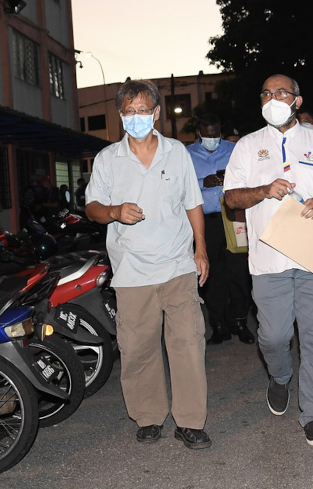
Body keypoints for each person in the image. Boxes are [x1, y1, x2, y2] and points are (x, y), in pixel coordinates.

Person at [85, 79, 212, 450]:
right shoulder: (108, 159)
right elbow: (92, 208)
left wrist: (200, 249)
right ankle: (149, 416)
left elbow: (193, 203)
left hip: (176, 266)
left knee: (188, 343)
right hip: (132, 271)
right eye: (129, 111)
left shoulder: (177, 153)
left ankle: (190, 421)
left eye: (143, 110)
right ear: (120, 115)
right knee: (138, 348)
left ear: (156, 113)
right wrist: (114, 212)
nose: (136, 117)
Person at [224, 74, 313, 447]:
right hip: (268, 259)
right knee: (273, 336)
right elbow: (231, 199)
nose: (273, 98)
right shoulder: (247, 145)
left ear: (297, 101)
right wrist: (263, 190)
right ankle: (280, 375)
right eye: (266, 93)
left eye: (281, 92)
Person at [187, 113, 254, 345]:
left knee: (239, 272)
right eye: (208, 135)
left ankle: (240, 320)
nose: (213, 139)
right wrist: (202, 183)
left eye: (216, 135)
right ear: (199, 134)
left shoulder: (234, 149)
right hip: (206, 222)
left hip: (233, 217)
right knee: (211, 274)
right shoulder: (187, 155)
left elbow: (250, 177)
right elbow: (180, 187)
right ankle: (218, 324)